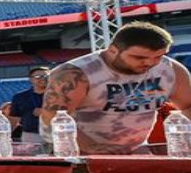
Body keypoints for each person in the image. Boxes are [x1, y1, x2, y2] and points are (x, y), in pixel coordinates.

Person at [40, 21, 191, 154]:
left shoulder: (171, 69)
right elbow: (52, 115)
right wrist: (92, 147)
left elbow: (188, 105)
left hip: (136, 148)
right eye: (139, 57)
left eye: (159, 56)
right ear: (113, 50)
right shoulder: (76, 73)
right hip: (76, 151)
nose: (150, 63)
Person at [9, 66, 50, 143]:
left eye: (46, 76)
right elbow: (14, 118)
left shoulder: (59, 95)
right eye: (38, 77)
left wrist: (47, 112)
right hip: (31, 135)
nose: (43, 79)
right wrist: (7, 135)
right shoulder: (20, 97)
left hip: (55, 133)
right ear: (31, 79)